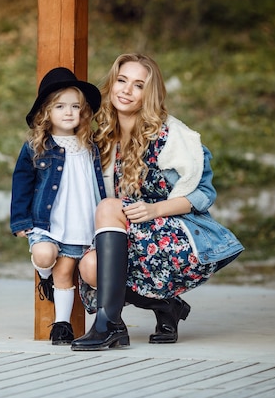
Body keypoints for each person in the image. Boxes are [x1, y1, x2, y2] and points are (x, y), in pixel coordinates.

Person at [71, 54, 244, 351]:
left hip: (170, 231)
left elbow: (204, 193)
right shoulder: (99, 133)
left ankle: (107, 324)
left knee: (109, 207)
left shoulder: (171, 136)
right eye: (122, 81)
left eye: (138, 85)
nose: (126, 90)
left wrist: (155, 209)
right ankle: (166, 307)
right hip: (124, 231)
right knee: (89, 266)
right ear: (112, 83)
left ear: (148, 94)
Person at [10, 67, 106, 345]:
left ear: (83, 112)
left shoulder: (92, 145)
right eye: (60, 106)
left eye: (75, 106)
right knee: (43, 256)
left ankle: (61, 325)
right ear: (46, 113)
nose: (68, 112)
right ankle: (44, 276)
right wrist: (20, 222)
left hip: (83, 223)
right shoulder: (37, 147)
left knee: (65, 273)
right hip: (49, 223)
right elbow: (22, 183)